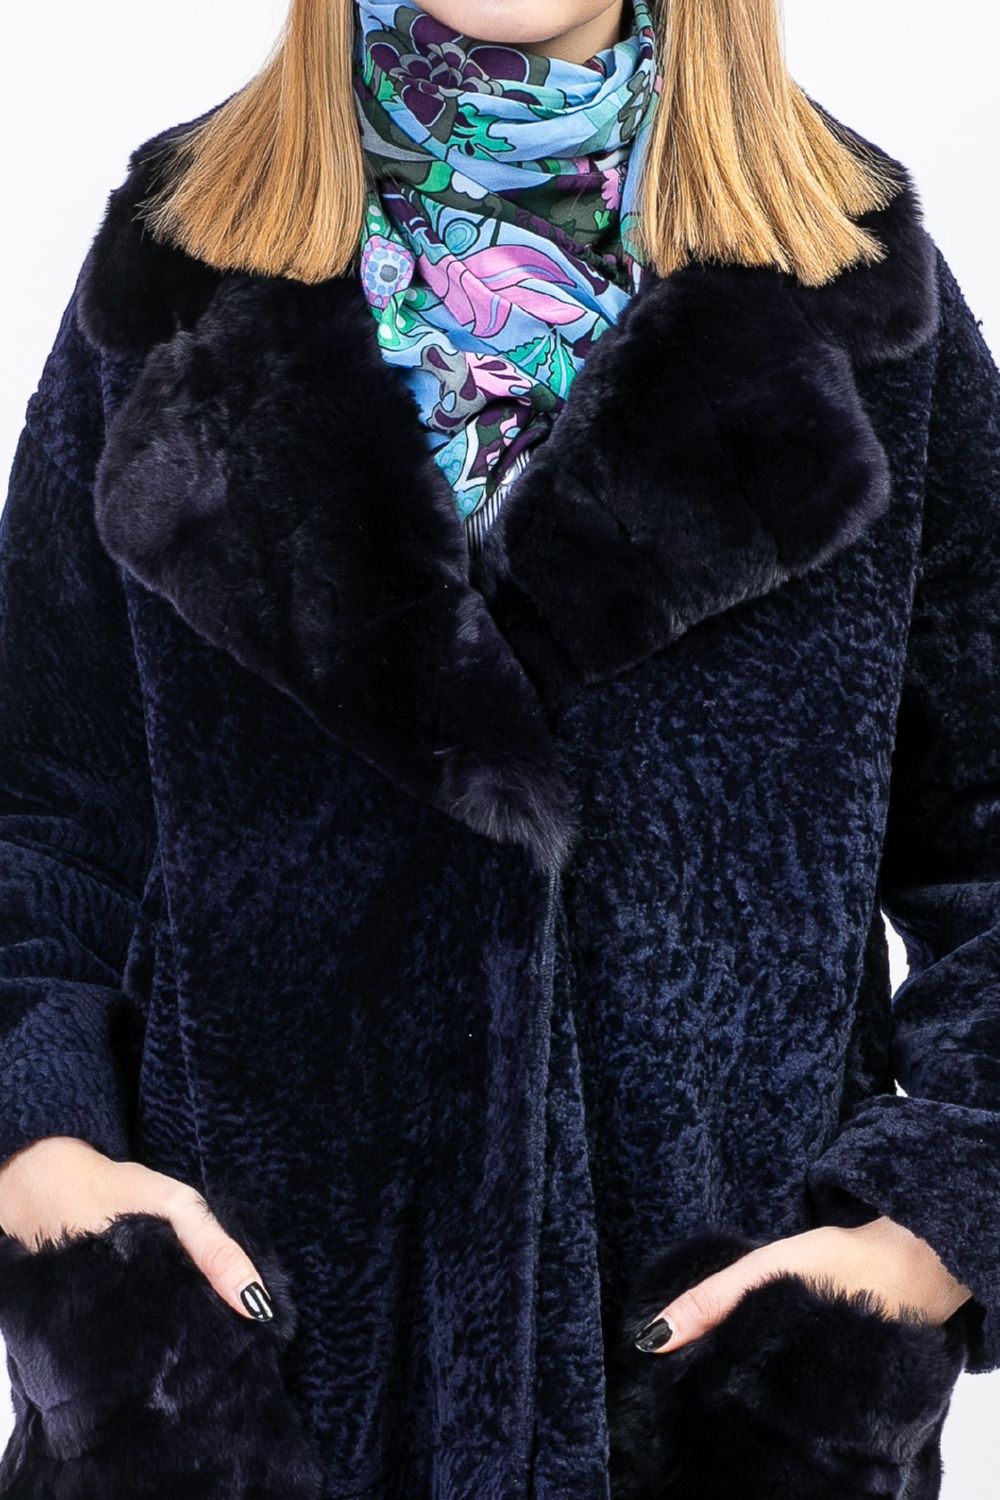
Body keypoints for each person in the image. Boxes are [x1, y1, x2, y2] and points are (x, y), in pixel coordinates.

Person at [0, 0, 997, 1494]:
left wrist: (927, 1234)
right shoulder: (180, 264)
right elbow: (38, 807)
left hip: (716, 1426)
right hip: (226, 1417)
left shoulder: (851, 291)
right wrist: (46, 1169)